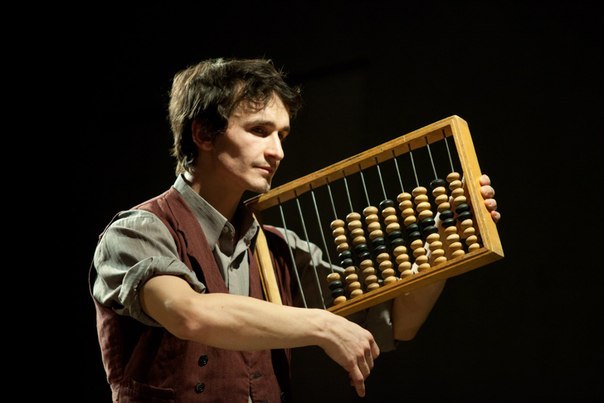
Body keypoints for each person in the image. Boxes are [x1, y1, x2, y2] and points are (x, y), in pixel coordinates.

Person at [89, 57, 500, 403]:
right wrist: (322, 325)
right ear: (203, 134)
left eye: (282, 135)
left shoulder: (279, 249)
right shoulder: (139, 232)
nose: (278, 151)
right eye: (259, 131)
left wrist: (445, 240)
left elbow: (396, 322)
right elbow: (188, 314)